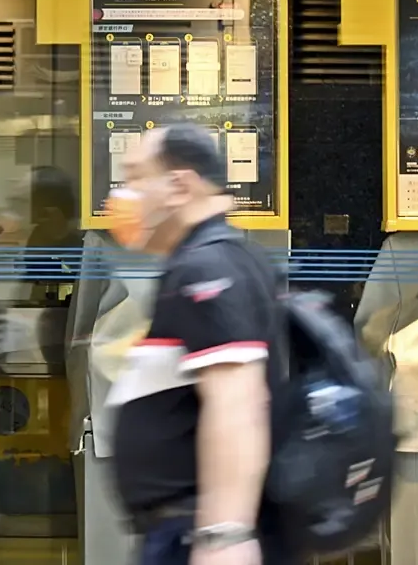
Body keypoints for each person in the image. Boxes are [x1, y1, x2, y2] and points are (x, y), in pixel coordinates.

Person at [105, 123, 288, 565]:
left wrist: (225, 536)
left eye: (135, 177)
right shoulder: (205, 259)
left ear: (179, 186)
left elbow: (237, 401)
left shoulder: (209, 267)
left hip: (195, 533)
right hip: (180, 529)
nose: (121, 195)